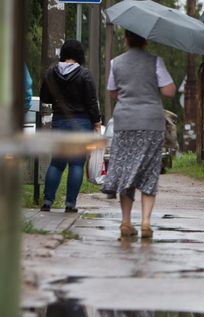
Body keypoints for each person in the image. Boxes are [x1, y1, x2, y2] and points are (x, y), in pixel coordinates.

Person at [101, 30, 176, 238]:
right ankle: (145, 223)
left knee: (126, 168)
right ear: (146, 40)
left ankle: (125, 222)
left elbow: (113, 93)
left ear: (126, 40)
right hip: (151, 123)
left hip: (124, 122)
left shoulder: (116, 62)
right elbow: (169, 91)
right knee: (149, 170)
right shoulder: (155, 61)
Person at [40, 39, 102, 213]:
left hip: (59, 120)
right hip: (81, 122)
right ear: (79, 55)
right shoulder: (85, 74)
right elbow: (91, 102)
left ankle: (47, 202)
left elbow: (45, 97)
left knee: (56, 163)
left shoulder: (51, 72)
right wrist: (97, 123)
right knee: (76, 164)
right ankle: (70, 205)